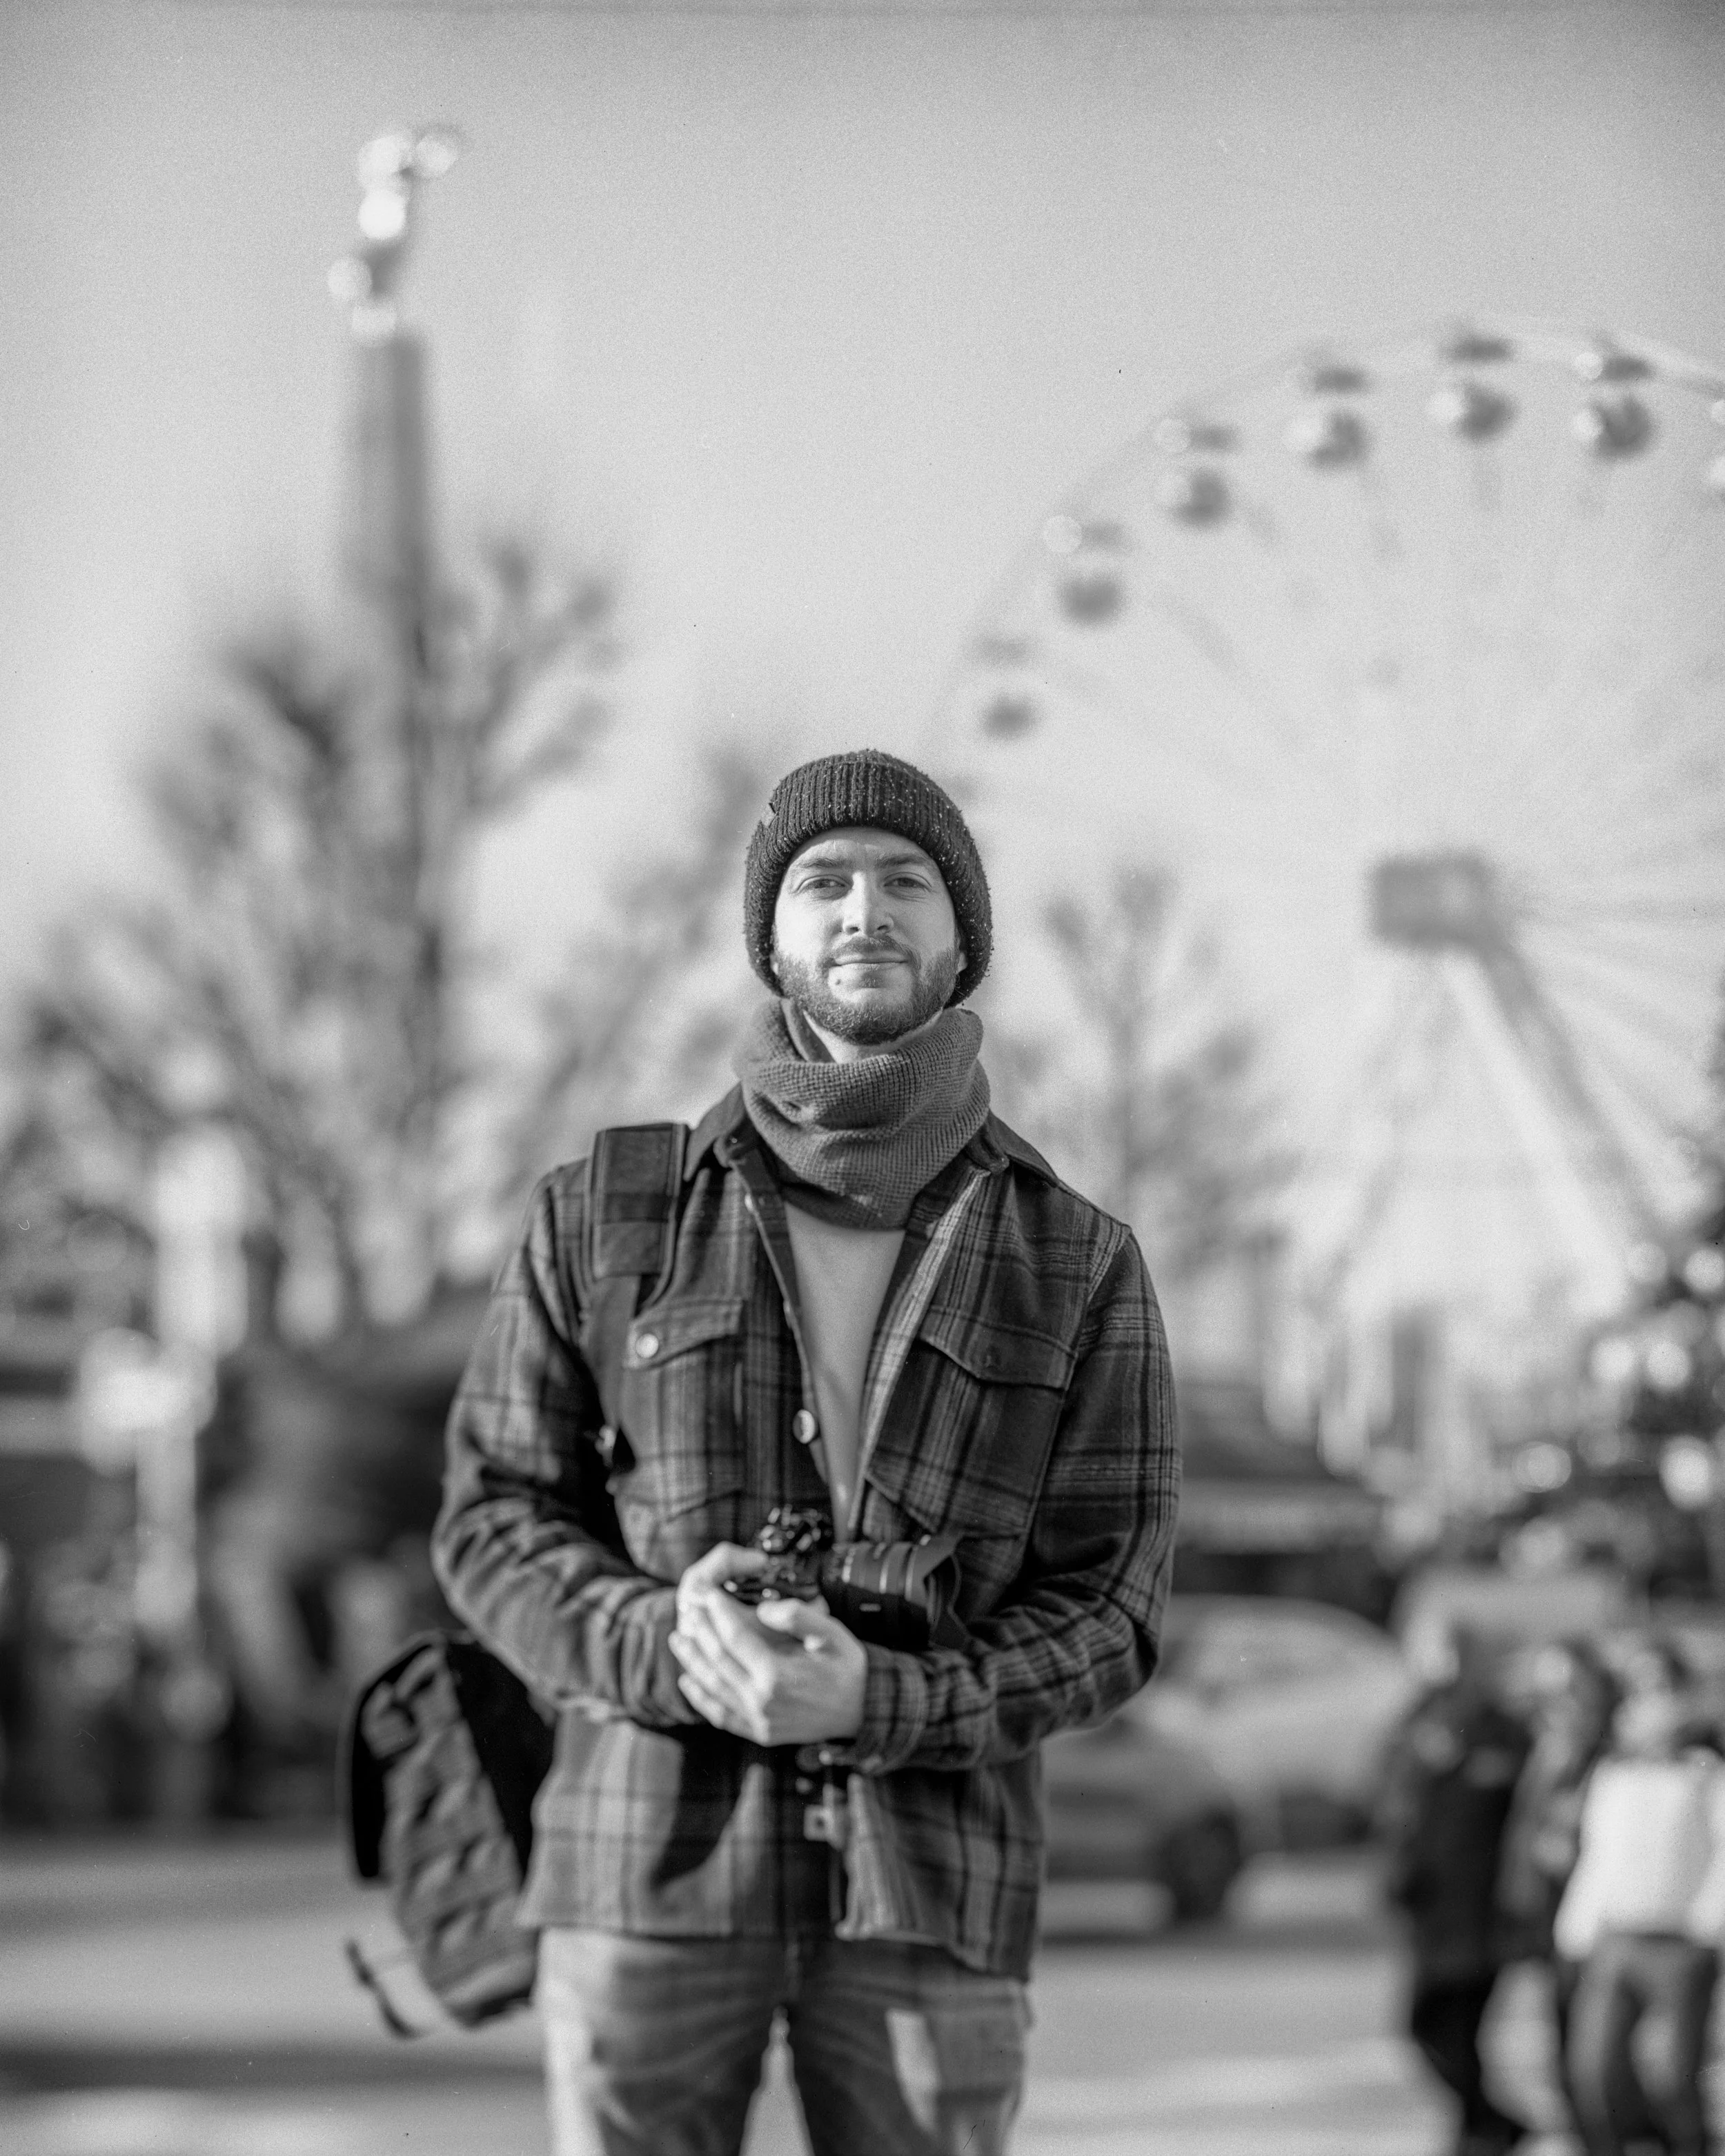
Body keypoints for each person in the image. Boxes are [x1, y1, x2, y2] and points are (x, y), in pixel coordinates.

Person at [433, 749, 1181, 2156]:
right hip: (642, 1858)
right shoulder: (605, 1208)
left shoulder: (1074, 1257)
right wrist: (668, 1637)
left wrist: (880, 1696)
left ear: (960, 936)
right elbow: (493, 1521)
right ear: (770, 935)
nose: (862, 908)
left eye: (905, 879)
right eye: (820, 880)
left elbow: (1114, 1607)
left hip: (929, 1878)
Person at [1555, 1636, 1725, 2156]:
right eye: (1640, 1687)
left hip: (1679, 1944)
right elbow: (1598, 1858)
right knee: (1595, 2074)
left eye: (1662, 1685)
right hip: (1616, 1940)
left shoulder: (1704, 1772)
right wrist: (1576, 1928)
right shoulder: (1614, 1773)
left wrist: (1707, 1924)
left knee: (1673, 2075)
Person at [1379, 1622, 1532, 2156]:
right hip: (1431, 1908)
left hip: (1483, 1908)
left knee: (1460, 2027)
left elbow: (1523, 1818)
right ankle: (1491, 2124)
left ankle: (1478, 2134)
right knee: (1422, 2028)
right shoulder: (1417, 1723)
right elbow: (1392, 1803)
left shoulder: (1507, 1732)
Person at [1495, 1641, 1620, 2139]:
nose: (1556, 1704)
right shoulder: (1546, 1751)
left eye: (1568, 1691)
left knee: (1598, 2054)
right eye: (1546, 1693)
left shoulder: (1611, 1755)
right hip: (1553, 1917)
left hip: (1604, 1925)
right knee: (1565, 2037)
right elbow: (1525, 1830)